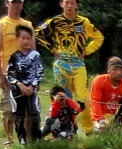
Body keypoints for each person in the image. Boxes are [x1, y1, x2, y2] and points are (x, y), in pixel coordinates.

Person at [34, 0, 103, 135]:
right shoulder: (54, 21)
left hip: (78, 65)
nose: (70, 6)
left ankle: (89, 131)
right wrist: (52, 48)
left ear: (77, 5)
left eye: (72, 3)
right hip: (61, 64)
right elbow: (37, 33)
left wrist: (87, 50)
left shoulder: (84, 22)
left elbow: (99, 37)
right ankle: (67, 129)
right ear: (61, 4)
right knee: (63, 98)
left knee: (83, 98)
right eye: (67, 3)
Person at [0, 0, 33, 149]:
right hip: (9, 74)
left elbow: (33, 52)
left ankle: (26, 141)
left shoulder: (27, 25)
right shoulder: (0, 26)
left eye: (20, 2)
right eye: (13, 2)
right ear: (7, 4)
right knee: (8, 110)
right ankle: (8, 140)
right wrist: (0, 75)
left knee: (27, 110)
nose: (17, 5)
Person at [6, 25, 43, 143]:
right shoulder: (14, 56)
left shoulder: (36, 55)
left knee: (35, 114)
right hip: (18, 90)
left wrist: (32, 86)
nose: (26, 41)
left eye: (28, 38)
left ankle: (36, 138)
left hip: (32, 90)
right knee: (19, 115)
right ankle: (22, 140)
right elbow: (9, 74)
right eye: (23, 38)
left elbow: (40, 72)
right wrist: (19, 84)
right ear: (18, 39)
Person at [89, 57, 122, 132]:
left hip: (116, 115)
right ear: (109, 71)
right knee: (100, 131)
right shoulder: (99, 80)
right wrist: (101, 121)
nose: (119, 72)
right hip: (100, 116)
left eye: (121, 70)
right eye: (115, 69)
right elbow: (95, 101)